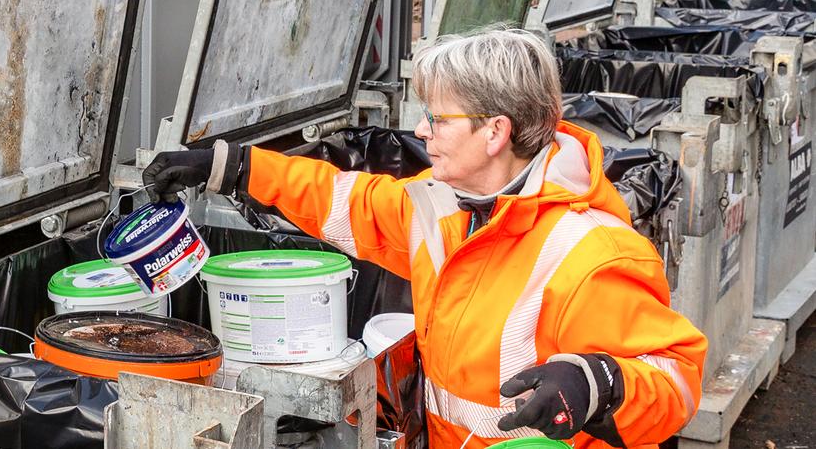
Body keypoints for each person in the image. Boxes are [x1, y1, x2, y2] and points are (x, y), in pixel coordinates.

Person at [142, 28, 707, 448]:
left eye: (437, 118)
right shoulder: (442, 204)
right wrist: (233, 168)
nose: (419, 131)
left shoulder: (592, 255)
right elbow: (343, 200)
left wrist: (599, 383)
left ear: (494, 132)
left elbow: (677, 380)